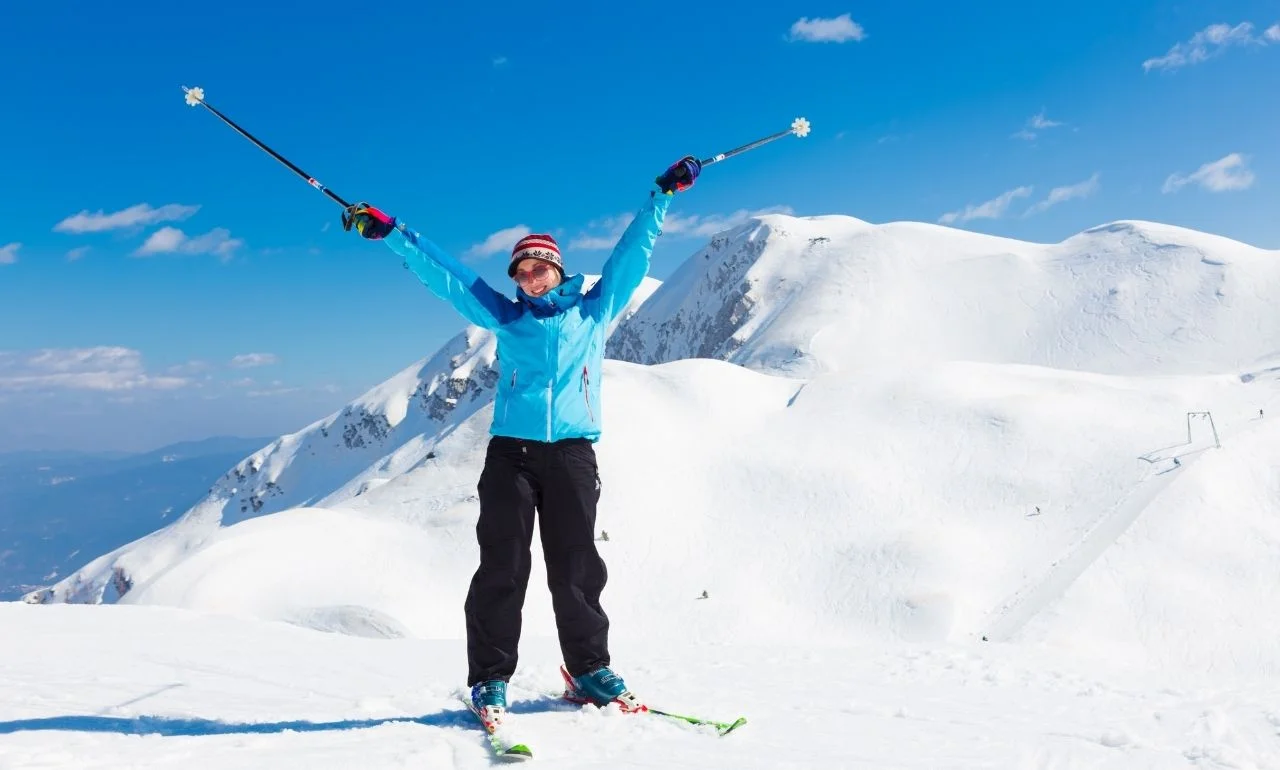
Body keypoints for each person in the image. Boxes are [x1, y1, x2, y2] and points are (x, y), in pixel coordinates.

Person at [344, 155, 702, 727]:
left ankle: (588, 670)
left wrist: (661, 196)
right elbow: (451, 277)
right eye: (521, 272)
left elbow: (631, 255)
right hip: (511, 454)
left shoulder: (595, 310)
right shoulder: (508, 318)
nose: (529, 279)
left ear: (557, 270)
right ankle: (489, 680)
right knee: (502, 567)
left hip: (572, 456)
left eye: (538, 269)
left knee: (576, 566)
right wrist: (393, 234)